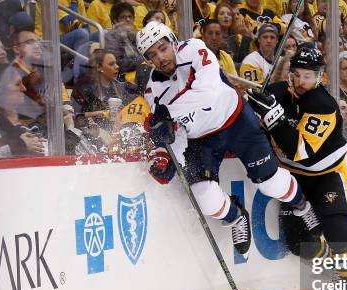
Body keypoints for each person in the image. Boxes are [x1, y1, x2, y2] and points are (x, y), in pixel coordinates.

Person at [136, 21, 319, 259]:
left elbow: (207, 92)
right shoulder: (153, 89)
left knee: (271, 183)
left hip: (236, 122)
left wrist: (168, 113)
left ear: (173, 41)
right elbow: (174, 131)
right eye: (152, 55)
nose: (160, 58)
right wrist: (166, 153)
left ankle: (302, 205)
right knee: (204, 197)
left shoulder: (194, 49)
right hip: (201, 140)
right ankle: (236, 217)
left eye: (163, 48)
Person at [247, 46, 347, 290]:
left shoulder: (323, 105)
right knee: (297, 243)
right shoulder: (278, 92)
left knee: (338, 229)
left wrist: (272, 118)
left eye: (308, 76)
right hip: (292, 179)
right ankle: (327, 259)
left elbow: (299, 151)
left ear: (320, 77)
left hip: (325, 177)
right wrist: (252, 106)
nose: (301, 82)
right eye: (296, 75)